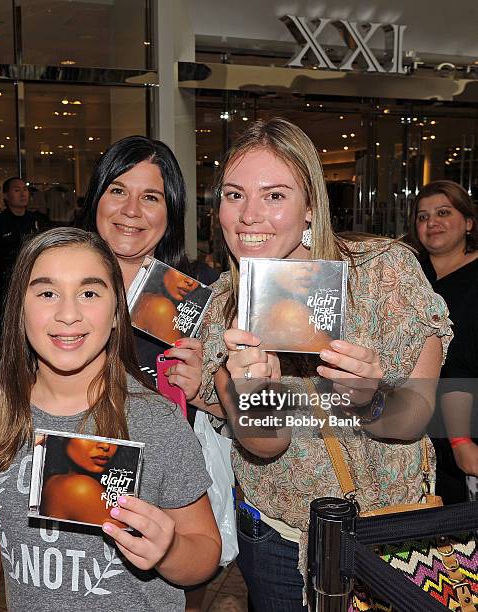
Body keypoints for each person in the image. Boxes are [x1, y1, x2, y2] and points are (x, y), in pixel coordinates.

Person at [0, 136, 218, 610]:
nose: (69, 314)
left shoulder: (194, 301)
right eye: (47, 294)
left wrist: (167, 547)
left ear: (115, 313)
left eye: (90, 294)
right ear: (17, 311)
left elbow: (200, 549)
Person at [196, 118, 451, 610]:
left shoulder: (383, 271)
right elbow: (264, 447)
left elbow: (415, 417)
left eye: (275, 196)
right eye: (234, 195)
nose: (250, 216)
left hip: (389, 534)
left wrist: (369, 399)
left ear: (311, 206)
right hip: (276, 544)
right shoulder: (224, 306)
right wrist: (256, 395)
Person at [409, 179, 478, 503]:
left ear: (468, 222)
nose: (431, 222)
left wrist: (461, 441)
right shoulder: (410, 273)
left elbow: (461, 361)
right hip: (414, 421)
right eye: (423, 217)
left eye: (443, 212)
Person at [0, 177, 50, 337]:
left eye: (24, 189)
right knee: (7, 337)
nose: (23, 194)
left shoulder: (36, 222)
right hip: (4, 290)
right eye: (17, 190)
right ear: (5, 196)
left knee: (33, 334)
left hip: (32, 289)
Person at [130, 265, 202, 344]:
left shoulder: (143, 296)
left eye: (195, 278)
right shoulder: (162, 307)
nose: (190, 282)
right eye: (181, 271)